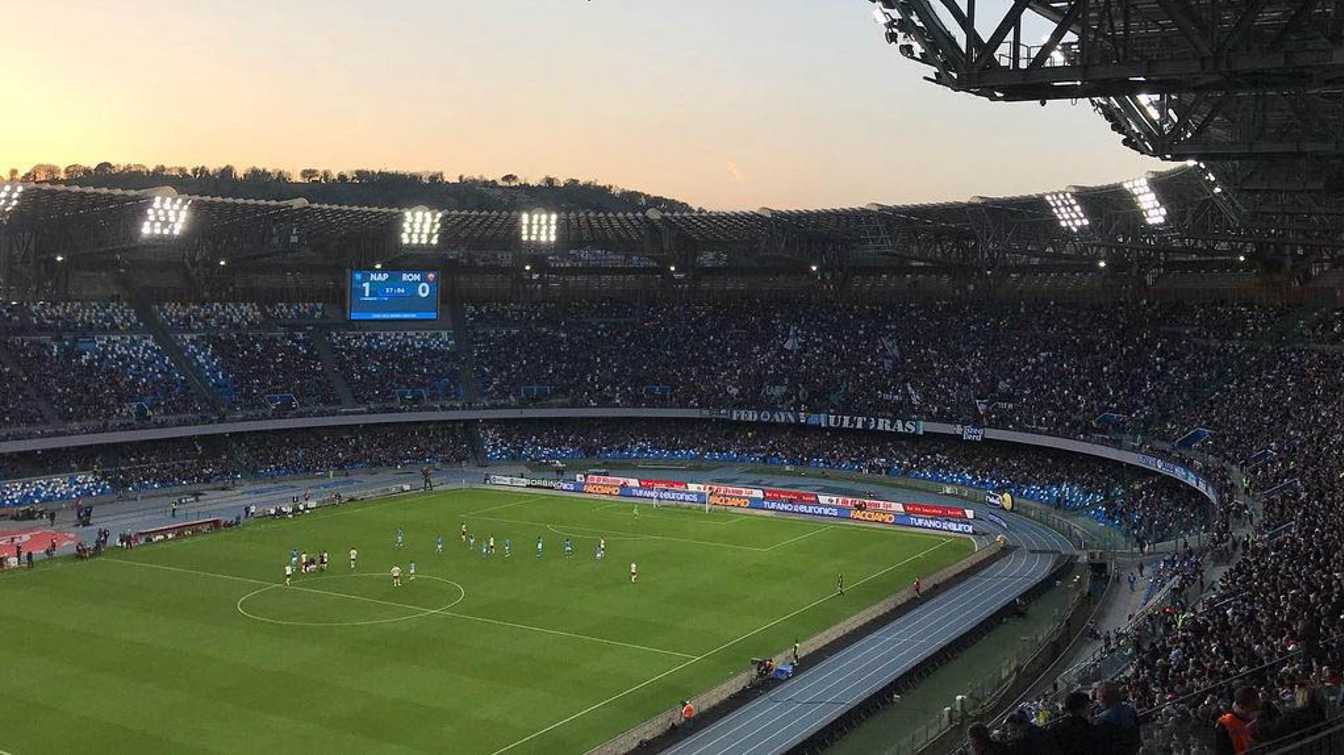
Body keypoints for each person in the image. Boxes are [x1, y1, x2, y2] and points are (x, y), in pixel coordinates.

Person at [1093, 682, 1142, 755]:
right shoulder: (1130, 709)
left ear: (1104, 698)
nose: (1098, 702)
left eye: (1098, 698)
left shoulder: (1101, 720)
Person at [1214, 686, 1259, 755]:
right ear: (1241, 706)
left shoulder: (1251, 718)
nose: (1256, 711)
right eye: (1254, 707)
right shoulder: (1225, 724)